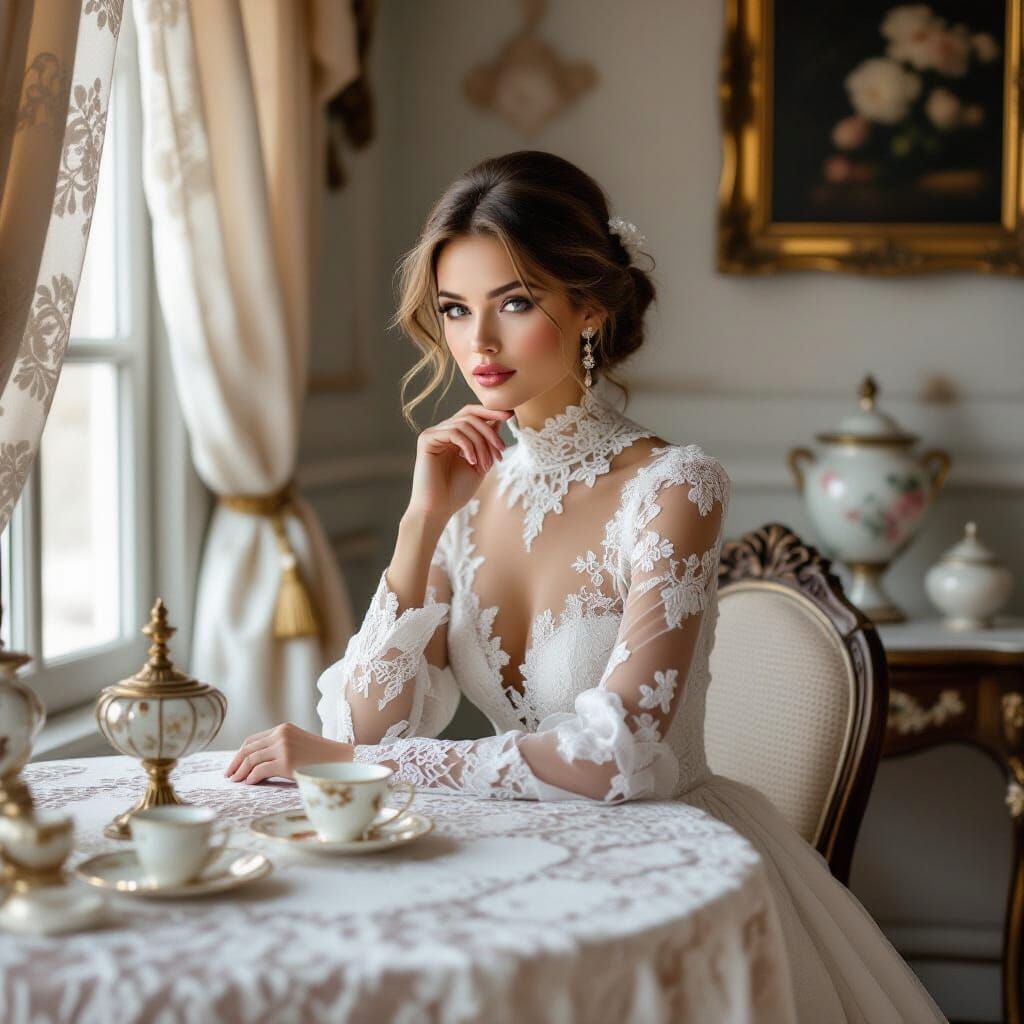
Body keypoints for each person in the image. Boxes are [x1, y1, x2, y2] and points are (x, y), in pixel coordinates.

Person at [227, 150, 947, 1022]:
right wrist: (421, 524)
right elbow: (366, 721)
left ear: (590, 309)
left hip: (659, 870)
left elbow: (620, 755)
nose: (477, 345)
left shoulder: (675, 487)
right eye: (455, 310)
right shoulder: (465, 490)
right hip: (501, 863)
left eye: (515, 303)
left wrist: (362, 765)